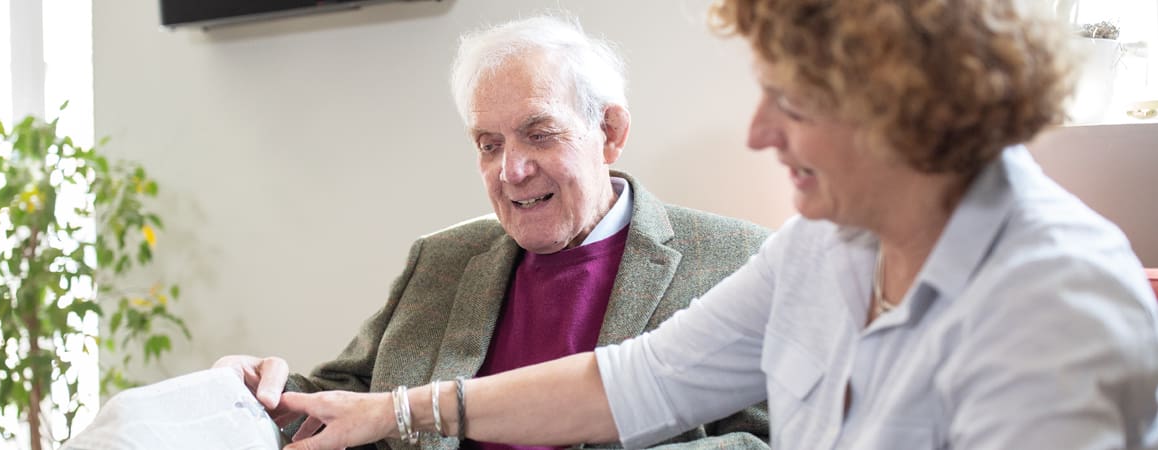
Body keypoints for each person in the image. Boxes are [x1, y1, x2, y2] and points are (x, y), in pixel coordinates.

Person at [271, 1, 1158, 449]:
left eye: (792, 102)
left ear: (905, 109)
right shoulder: (826, 246)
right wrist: (396, 410)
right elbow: (640, 379)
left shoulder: (1055, 304)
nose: (758, 133)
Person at [214, 15, 773, 450]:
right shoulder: (441, 260)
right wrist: (256, 398)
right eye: (490, 145)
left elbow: (773, 438)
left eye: (540, 134)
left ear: (609, 132)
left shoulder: (736, 258)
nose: (512, 170)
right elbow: (349, 402)